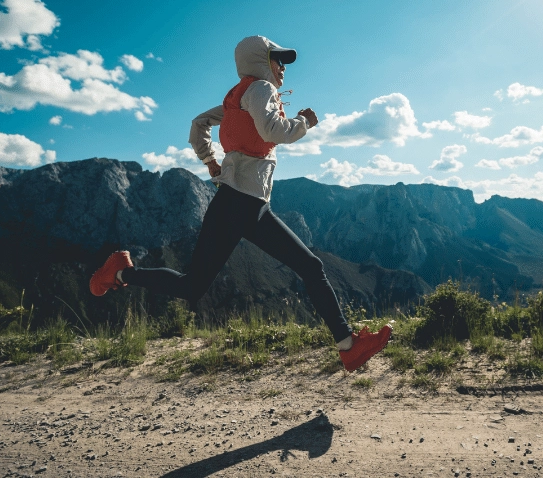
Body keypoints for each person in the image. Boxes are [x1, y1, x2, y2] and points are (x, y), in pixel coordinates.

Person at [89, 35, 391, 372]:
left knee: (195, 285)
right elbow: (274, 131)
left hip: (241, 204)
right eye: (278, 61)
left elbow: (197, 125)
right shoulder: (261, 90)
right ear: (261, 61)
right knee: (309, 268)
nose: (283, 69)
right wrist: (304, 122)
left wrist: (210, 162)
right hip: (241, 204)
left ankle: (119, 272)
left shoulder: (238, 96)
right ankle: (348, 347)